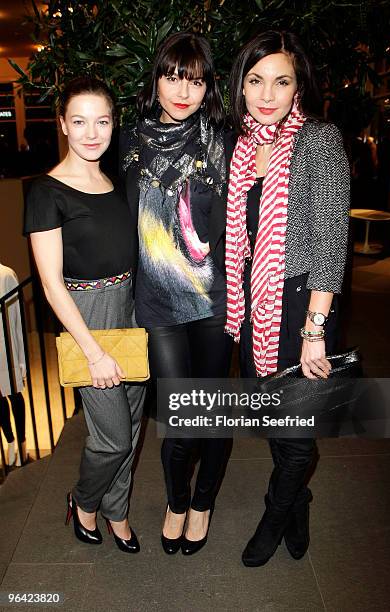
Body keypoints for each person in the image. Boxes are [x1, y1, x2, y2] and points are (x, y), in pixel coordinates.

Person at [226, 31, 350, 566]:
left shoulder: (319, 141)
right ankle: (299, 500)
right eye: (256, 81)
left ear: (299, 86)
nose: (268, 94)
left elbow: (330, 242)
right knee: (274, 418)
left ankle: (276, 513)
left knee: (295, 434)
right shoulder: (241, 147)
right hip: (256, 305)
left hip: (301, 306)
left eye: (281, 81)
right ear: (241, 86)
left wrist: (314, 332)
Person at [120, 32, 233, 555]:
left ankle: (203, 501)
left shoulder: (222, 142)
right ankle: (175, 500)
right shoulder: (129, 141)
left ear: (207, 85)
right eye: (172, 76)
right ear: (156, 80)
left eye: (194, 78)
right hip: (157, 304)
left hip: (213, 302)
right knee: (181, 416)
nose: (182, 89)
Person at [24, 77, 146, 553]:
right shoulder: (46, 191)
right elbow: (52, 285)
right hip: (86, 316)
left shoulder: (115, 182)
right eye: (79, 121)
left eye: (102, 121)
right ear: (62, 125)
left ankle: (118, 511)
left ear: (114, 124)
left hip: (131, 308)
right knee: (112, 437)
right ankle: (84, 500)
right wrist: (92, 352)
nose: (91, 132)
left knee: (133, 426)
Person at [0, 263, 27, 467]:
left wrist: (21, 360)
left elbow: (17, 319)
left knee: (15, 395)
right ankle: (10, 441)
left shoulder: (6, 275)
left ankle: (23, 442)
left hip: (6, 348)